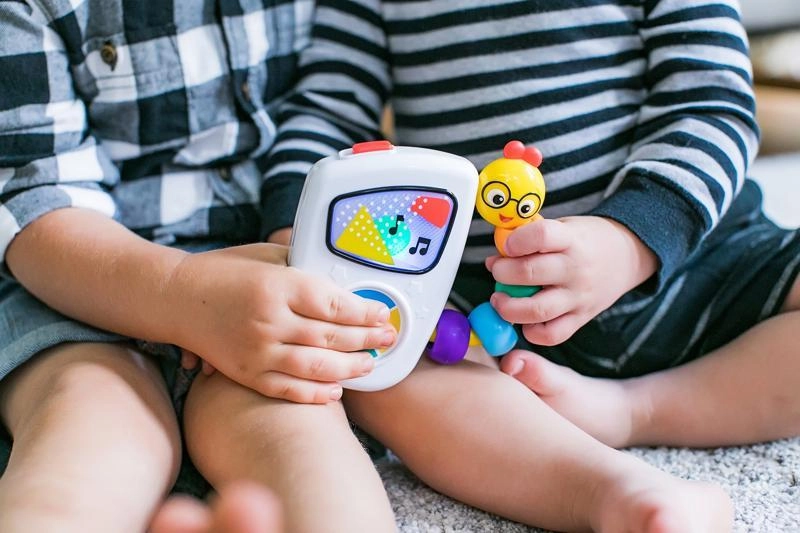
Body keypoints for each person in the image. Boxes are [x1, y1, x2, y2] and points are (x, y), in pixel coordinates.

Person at [185, 0, 796, 530]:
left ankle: (635, 409)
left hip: (699, 263)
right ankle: (605, 489)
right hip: (481, 303)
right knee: (377, 361)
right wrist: (299, 244)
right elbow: (328, 115)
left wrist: (625, 241)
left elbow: (711, 105)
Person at [0, 2, 398, 532]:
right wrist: (180, 293)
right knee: (90, 424)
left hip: (265, 271)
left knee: (303, 438)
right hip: (77, 284)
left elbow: (331, 116)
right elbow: (33, 196)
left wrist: (295, 264)